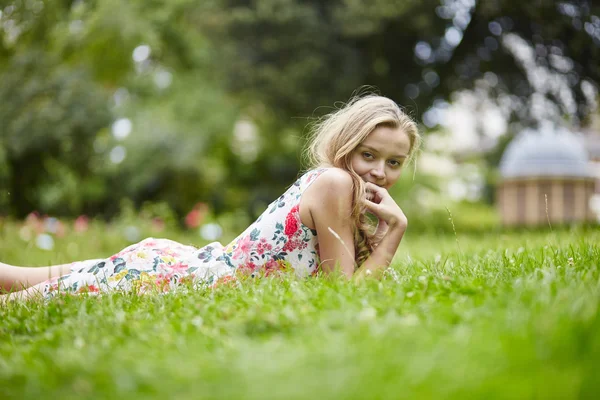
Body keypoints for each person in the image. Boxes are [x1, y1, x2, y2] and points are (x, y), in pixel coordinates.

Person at [0, 94, 420, 302]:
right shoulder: (336, 183)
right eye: (369, 154)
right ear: (347, 145)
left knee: (13, 277)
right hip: (178, 279)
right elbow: (342, 296)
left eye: (395, 162)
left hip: (184, 261)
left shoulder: (342, 191)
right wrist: (395, 231)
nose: (380, 171)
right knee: (19, 304)